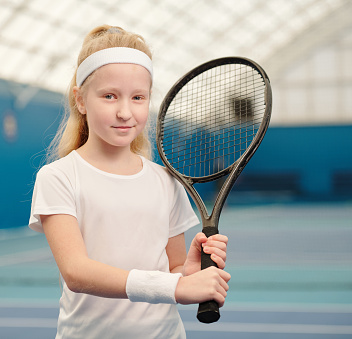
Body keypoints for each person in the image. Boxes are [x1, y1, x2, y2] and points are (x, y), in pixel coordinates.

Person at [29, 25, 230, 339]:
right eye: (109, 96)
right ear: (80, 100)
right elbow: (76, 272)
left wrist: (187, 272)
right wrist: (175, 286)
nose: (125, 112)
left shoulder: (167, 181)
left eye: (138, 97)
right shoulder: (58, 177)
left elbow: (174, 270)